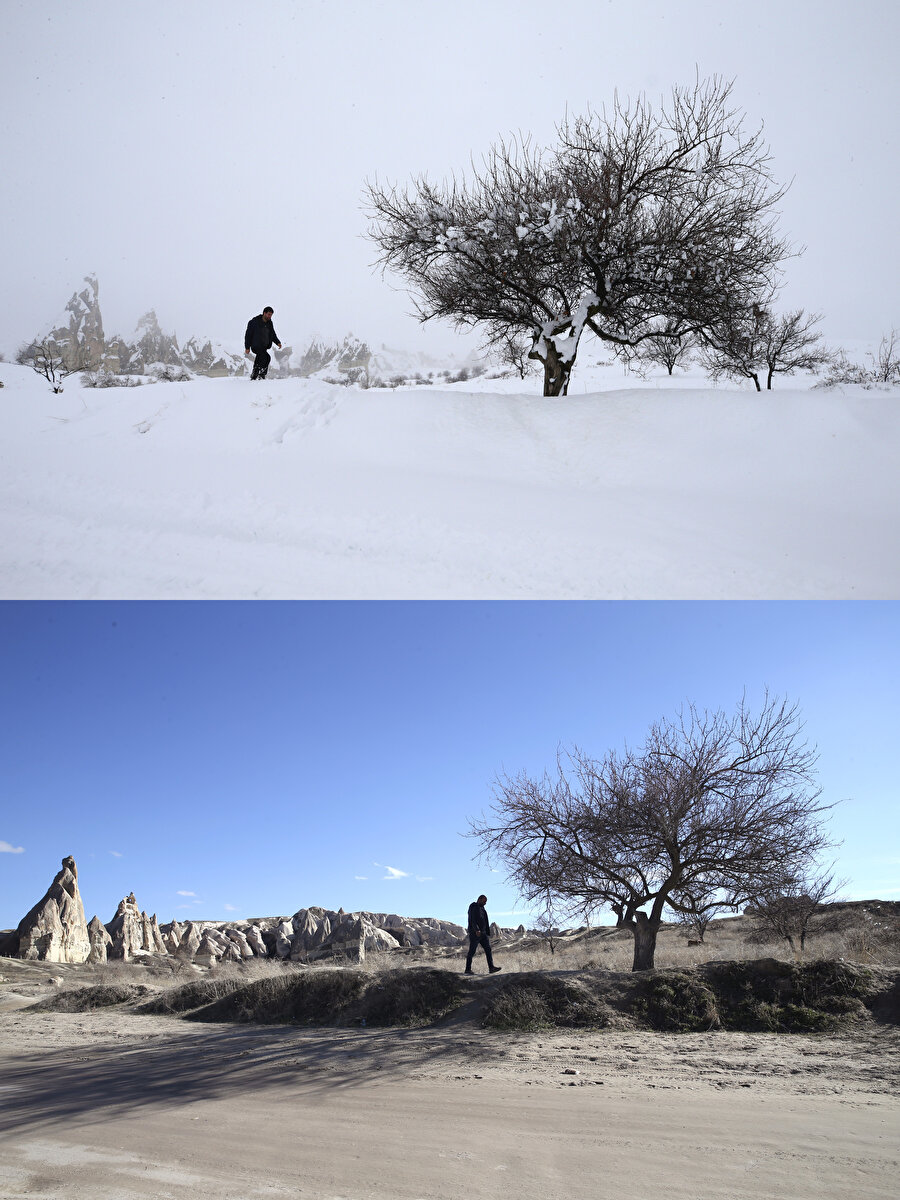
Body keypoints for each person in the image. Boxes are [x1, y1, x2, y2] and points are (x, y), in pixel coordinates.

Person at [465, 894, 502, 975]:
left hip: (483, 933)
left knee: (488, 949)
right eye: (484, 901)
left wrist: (486, 932)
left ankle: (491, 968)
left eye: (486, 902)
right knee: (472, 951)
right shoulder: (473, 907)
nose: (485, 903)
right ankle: (467, 969)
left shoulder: (482, 908)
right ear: (480, 899)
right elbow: (472, 919)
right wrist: (476, 930)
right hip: (475, 933)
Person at [244, 306, 283, 380]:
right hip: (256, 345)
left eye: (271, 315)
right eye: (268, 314)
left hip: (264, 346)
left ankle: (257, 374)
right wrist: (247, 347)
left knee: (263, 357)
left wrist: (278, 342)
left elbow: (272, 334)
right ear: (264, 313)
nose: (270, 316)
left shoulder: (269, 323)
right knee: (265, 356)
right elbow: (248, 335)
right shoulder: (254, 322)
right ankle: (260, 374)